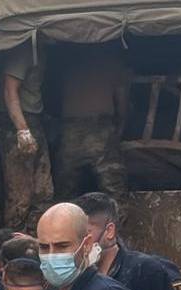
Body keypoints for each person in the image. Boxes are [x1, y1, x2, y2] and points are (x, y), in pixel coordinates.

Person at [52, 44, 130, 202]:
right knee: (114, 186)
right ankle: (117, 225)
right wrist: (120, 127)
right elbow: (122, 102)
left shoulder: (69, 64)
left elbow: (55, 100)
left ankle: (66, 224)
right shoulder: (113, 64)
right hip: (100, 129)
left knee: (65, 187)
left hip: (70, 130)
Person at [0, 43, 53, 233]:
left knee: (43, 190)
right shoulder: (25, 50)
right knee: (20, 194)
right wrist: (22, 130)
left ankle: (36, 240)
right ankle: (15, 246)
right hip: (17, 123)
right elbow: (10, 90)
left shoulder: (41, 50)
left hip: (34, 120)